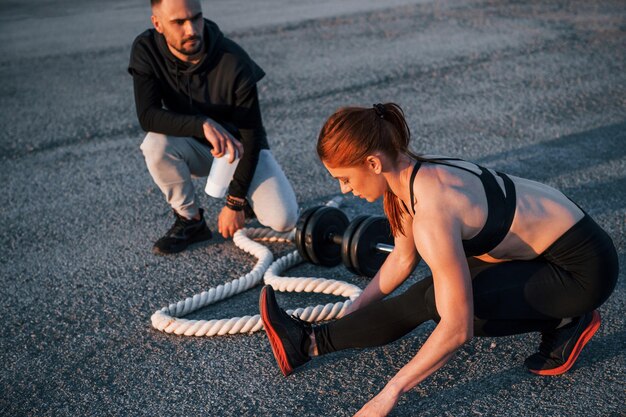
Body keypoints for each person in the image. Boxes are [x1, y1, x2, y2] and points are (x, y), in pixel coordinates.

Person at [259, 103, 618, 416]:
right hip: (549, 252)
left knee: (454, 308)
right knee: (430, 294)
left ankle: (568, 317)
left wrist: (388, 395)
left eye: (345, 178)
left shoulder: (432, 208)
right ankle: (308, 341)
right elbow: (401, 260)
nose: (344, 190)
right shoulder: (412, 174)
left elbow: (456, 329)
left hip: (583, 271)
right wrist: (354, 313)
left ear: (372, 162)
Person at [128, 0, 298, 254]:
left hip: (239, 151)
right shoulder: (146, 49)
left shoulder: (234, 60)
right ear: (158, 24)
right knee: (155, 144)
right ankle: (191, 221)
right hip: (194, 145)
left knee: (283, 219)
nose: (191, 30)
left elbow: (251, 138)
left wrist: (235, 202)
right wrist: (202, 124)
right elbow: (148, 116)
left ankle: (248, 197)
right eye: (179, 22)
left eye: (196, 18)